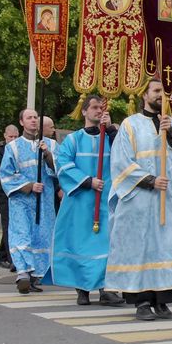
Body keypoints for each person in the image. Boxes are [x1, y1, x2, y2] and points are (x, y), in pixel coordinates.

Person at [106, 78, 172, 320]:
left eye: (164, 92)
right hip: (140, 200)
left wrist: (171, 137)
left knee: (168, 248)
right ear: (144, 95)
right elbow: (120, 163)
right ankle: (143, 301)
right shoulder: (129, 125)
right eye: (157, 91)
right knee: (143, 250)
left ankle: (162, 300)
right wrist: (149, 180)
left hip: (170, 200)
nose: (162, 96)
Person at [51, 94, 124, 306]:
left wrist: (110, 130)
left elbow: (124, 157)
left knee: (106, 244)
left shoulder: (111, 138)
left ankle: (105, 290)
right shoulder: (73, 140)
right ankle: (82, 289)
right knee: (80, 244)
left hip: (106, 201)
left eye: (101, 107)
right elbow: (62, 164)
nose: (98, 111)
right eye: (93, 107)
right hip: (80, 201)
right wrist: (87, 181)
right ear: (83, 111)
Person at [0, 109, 57, 294]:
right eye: (29, 118)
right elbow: (6, 174)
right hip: (21, 200)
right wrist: (28, 185)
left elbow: (61, 169)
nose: (33, 120)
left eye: (35, 117)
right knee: (22, 234)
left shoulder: (51, 145)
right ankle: (23, 273)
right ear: (21, 122)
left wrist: (47, 155)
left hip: (44, 200)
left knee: (41, 236)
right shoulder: (13, 147)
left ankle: (34, 277)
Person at [0, 124, 20, 269]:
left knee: (12, 224)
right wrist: (1, 194)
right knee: (8, 223)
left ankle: (2, 256)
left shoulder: (19, 149)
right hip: (3, 193)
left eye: (16, 137)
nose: (13, 139)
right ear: (5, 136)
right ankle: (12, 259)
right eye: (11, 137)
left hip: (16, 192)